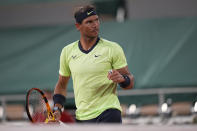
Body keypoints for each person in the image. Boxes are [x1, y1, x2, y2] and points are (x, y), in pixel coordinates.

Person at [52, 4, 134, 123]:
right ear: (78, 26)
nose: (95, 25)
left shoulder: (113, 48)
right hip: (82, 117)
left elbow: (130, 82)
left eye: (96, 20)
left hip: (109, 112)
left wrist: (122, 79)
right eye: (89, 22)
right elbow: (61, 85)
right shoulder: (67, 52)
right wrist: (57, 108)